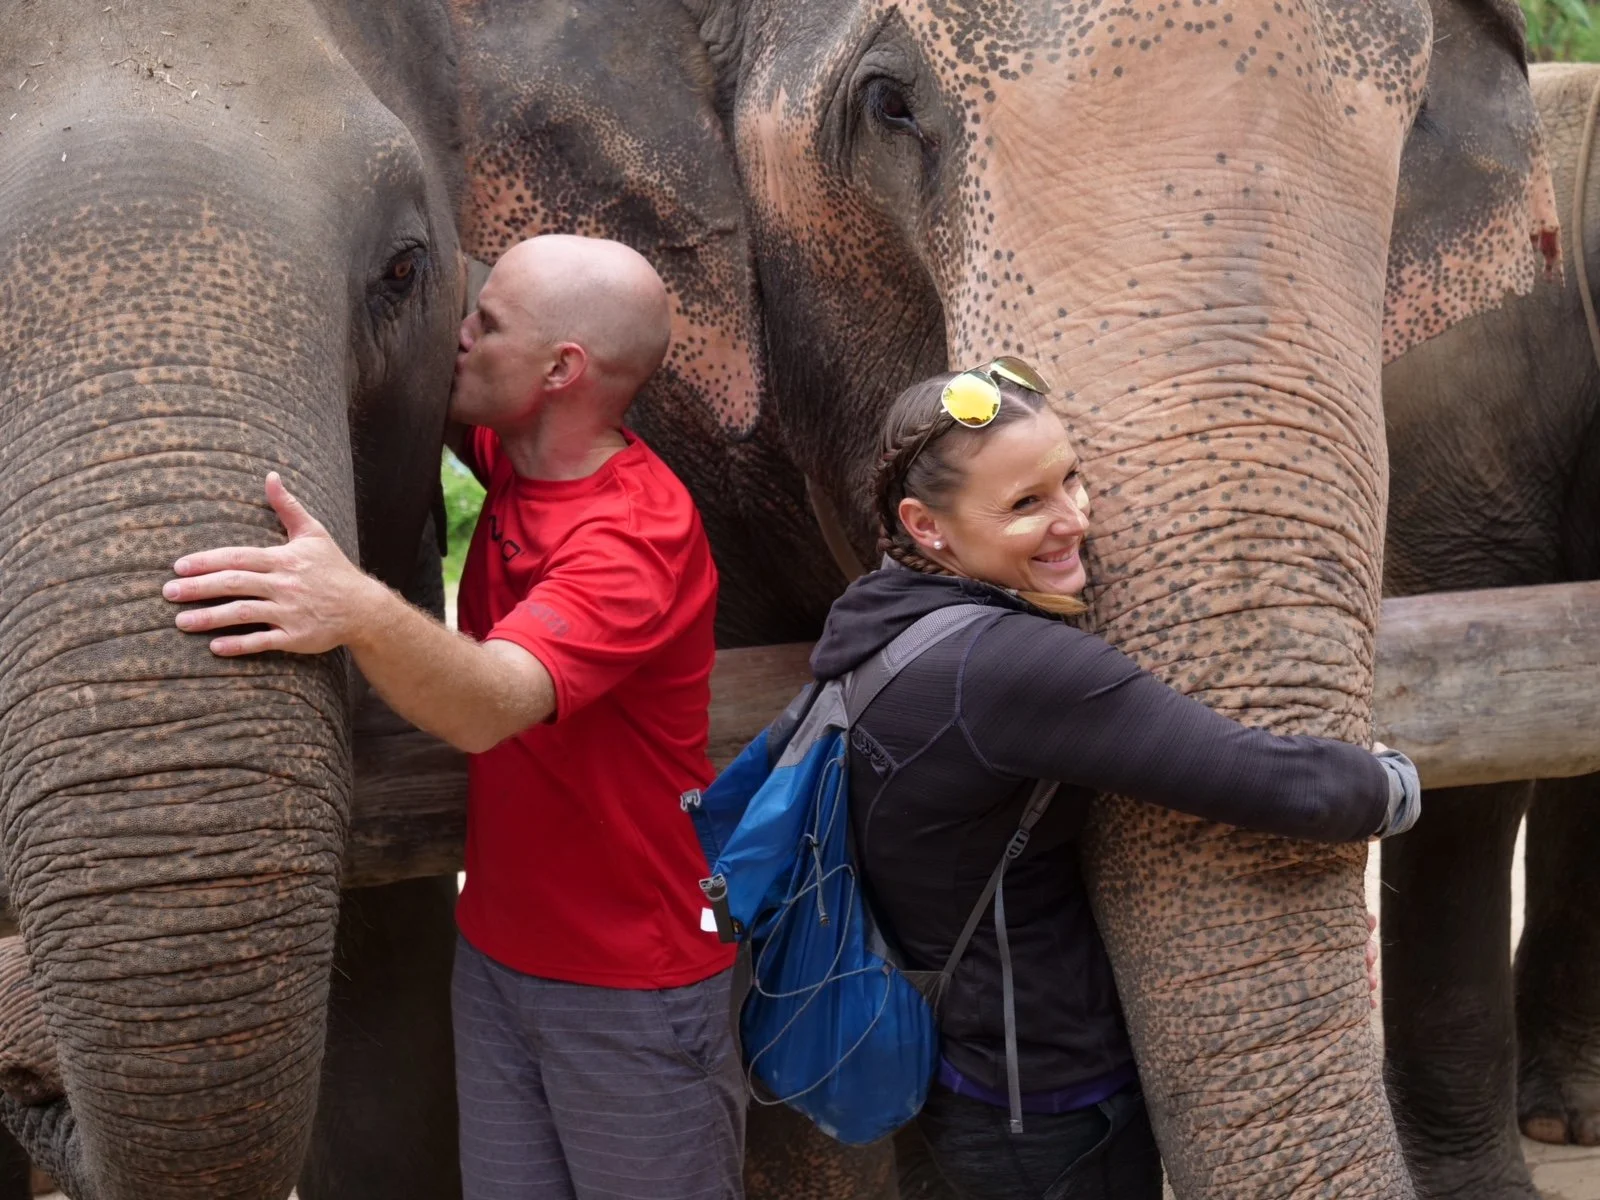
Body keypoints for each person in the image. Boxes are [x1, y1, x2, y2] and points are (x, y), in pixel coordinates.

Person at [161, 235, 743, 1200]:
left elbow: (487, 707)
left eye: (485, 324)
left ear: (562, 371)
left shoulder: (633, 537)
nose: (457, 339)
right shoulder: (518, 444)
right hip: (500, 960)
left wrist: (352, 607)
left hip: (633, 991)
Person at [811, 359, 1419, 1200]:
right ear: (926, 525)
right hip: (1048, 1109)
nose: (1073, 521)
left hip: (949, 1078)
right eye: (1026, 505)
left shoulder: (876, 613)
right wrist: (1393, 784)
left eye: (1072, 480)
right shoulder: (1012, 666)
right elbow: (1268, 781)